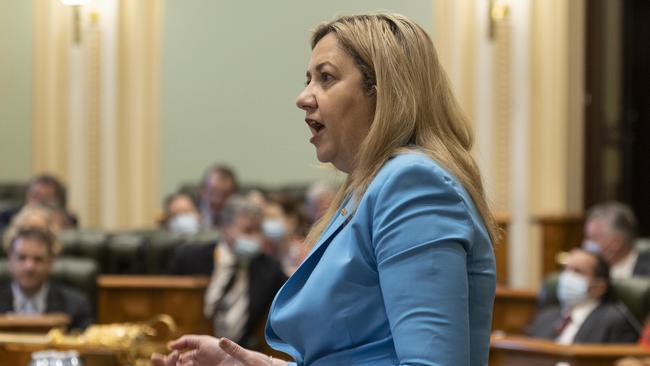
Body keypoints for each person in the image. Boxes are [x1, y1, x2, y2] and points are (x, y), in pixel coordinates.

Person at [152, 12, 497, 366]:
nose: (303, 97)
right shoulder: (366, 191)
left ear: (383, 92)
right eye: (308, 80)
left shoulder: (412, 185)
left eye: (326, 78)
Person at [203, 196, 287, 350]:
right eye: (248, 230)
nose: (255, 238)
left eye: (258, 231)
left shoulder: (269, 268)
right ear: (226, 228)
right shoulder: (191, 258)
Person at [526, 248, 639, 344]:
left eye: (577, 271)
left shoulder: (613, 321)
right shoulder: (545, 317)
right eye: (566, 269)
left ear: (600, 287)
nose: (567, 276)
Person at [0, 228, 92, 331]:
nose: (29, 267)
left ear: (50, 263)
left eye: (38, 259)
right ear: (10, 260)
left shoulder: (75, 306)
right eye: (22, 258)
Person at [582, 201, 650, 278]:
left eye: (594, 238)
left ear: (616, 242)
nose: (586, 243)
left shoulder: (647, 272)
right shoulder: (587, 270)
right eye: (587, 237)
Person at [0, 174, 78, 231]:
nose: (38, 202)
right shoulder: (8, 214)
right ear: (28, 196)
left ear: (58, 201)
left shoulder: (65, 218)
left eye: (46, 198)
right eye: (35, 195)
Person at [199, 165, 239, 229]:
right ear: (202, 190)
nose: (217, 201)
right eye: (212, 193)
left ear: (233, 194)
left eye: (224, 194)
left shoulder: (240, 209)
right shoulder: (192, 204)